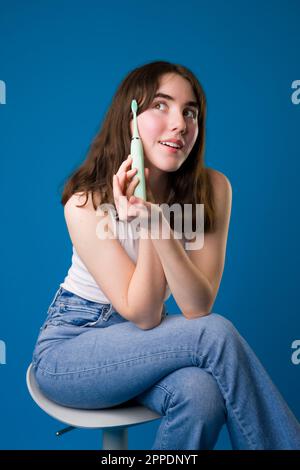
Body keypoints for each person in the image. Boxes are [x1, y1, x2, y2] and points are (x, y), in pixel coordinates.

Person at [32, 60, 300, 450]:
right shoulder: (84, 202)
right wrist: (146, 218)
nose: (180, 123)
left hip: (147, 343)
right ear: (131, 118)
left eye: (190, 112)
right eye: (161, 106)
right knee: (216, 334)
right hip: (72, 349)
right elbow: (142, 312)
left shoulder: (213, 188)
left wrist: (157, 221)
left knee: (202, 395)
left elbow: (196, 306)